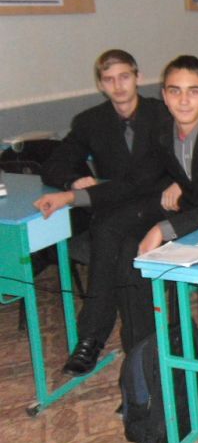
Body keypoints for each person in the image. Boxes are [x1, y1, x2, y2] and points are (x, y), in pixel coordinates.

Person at [35, 49, 172, 375]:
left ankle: (92, 339)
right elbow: (53, 164)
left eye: (124, 77)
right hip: (117, 210)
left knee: (106, 233)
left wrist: (76, 196)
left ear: (137, 77)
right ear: (100, 84)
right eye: (109, 79)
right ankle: (138, 345)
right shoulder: (90, 121)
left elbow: (146, 180)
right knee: (121, 249)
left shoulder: (162, 114)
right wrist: (72, 180)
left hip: (158, 206)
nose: (118, 86)